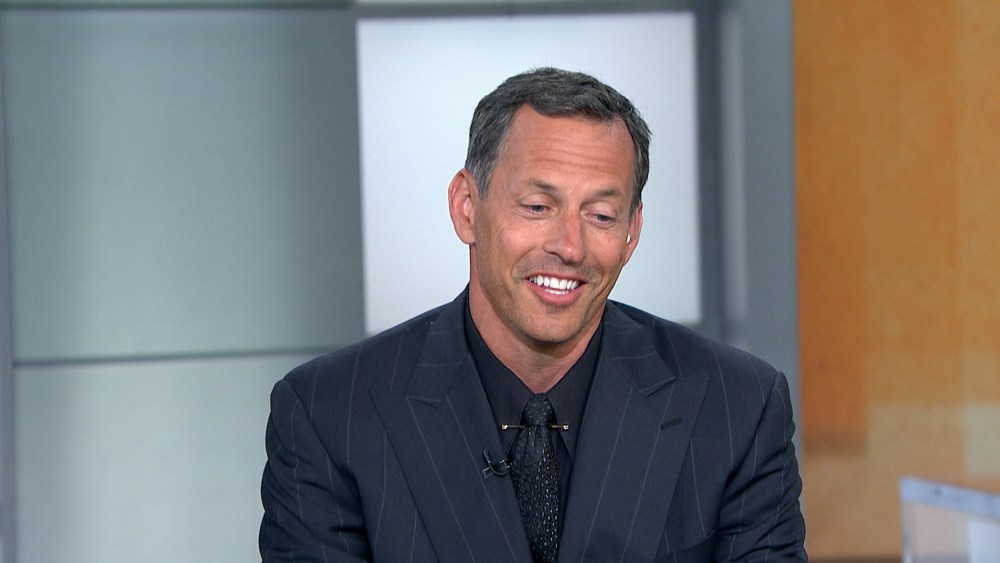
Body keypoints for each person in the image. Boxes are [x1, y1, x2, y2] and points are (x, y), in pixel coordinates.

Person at [259, 67, 806, 562]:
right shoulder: (330, 416)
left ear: (632, 231)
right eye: (538, 207)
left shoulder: (738, 408)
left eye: (601, 215)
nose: (569, 246)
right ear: (466, 208)